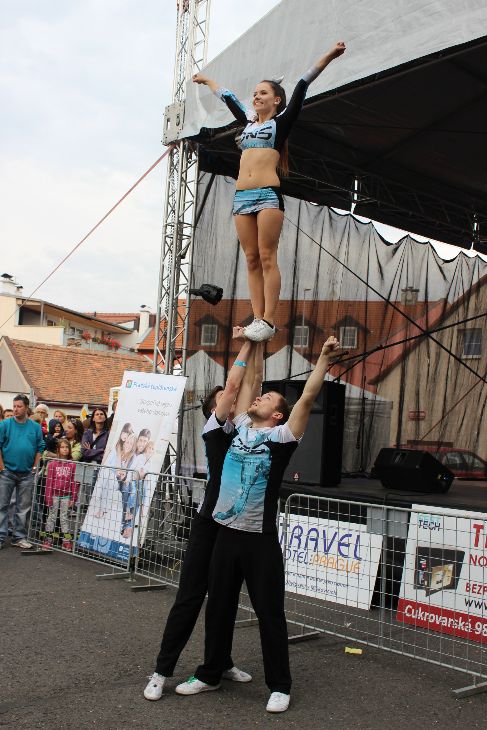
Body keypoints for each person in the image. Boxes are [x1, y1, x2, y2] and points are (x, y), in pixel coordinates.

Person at [176, 336, 340, 714]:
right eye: (261, 395)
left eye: (268, 399)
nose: (260, 398)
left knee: (269, 613)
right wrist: (256, 340)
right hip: (225, 537)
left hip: (259, 541)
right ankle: (211, 673)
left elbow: (307, 398)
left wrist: (323, 360)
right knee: (218, 608)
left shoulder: (281, 437)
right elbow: (250, 379)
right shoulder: (237, 428)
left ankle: (279, 685)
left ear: (278, 415)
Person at [192, 42, 346, 342]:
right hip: (242, 198)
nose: (256, 96)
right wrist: (208, 80)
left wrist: (329, 55)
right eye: (255, 93)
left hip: (267, 195)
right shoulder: (248, 123)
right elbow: (229, 98)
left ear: (276, 100)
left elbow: (303, 83)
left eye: (262, 93)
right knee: (250, 259)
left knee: (266, 257)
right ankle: (257, 318)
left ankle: (269, 320)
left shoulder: (281, 123)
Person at [143, 331, 263, 702]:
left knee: (224, 599)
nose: (233, 399)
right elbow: (235, 383)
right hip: (208, 523)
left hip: (233, 525)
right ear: (215, 410)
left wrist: (261, 339)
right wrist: (247, 343)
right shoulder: (215, 430)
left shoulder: (246, 429)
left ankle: (220, 663)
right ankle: (161, 671)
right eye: (224, 399)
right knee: (190, 597)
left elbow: (254, 381)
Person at [0, 394, 45, 549]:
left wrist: (34, 467)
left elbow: (40, 447)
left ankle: (18, 537)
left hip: (27, 474)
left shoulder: (35, 427)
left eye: (19, 406)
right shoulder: (5, 424)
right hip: (7, 472)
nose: (15, 409)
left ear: (26, 408)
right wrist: (2, 467)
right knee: (2, 506)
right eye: (14, 406)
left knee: (24, 508)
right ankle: (0, 537)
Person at [42, 438, 78, 551]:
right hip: (54, 495)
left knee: (64, 518)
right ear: (58, 449)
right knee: (51, 517)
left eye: (67, 447)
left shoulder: (72, 465)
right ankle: (48, 539)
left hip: (66, 496)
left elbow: (74, 482)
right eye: (62, 447)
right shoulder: (52, 464)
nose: (65, 449)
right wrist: (48, 497)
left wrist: (73, 497)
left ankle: (66, 541)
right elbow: (49, 482)